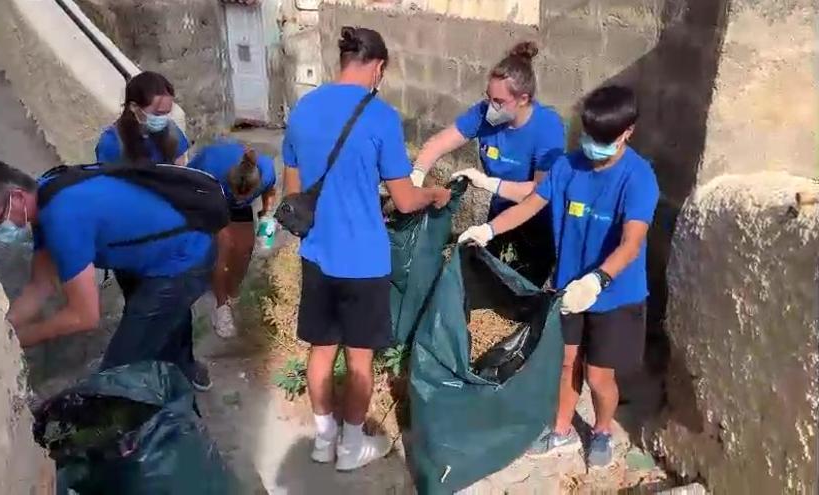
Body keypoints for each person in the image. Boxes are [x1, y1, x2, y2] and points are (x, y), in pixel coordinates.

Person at [458, 86, 659, 468]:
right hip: (568, 291)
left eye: (603, 140)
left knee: (599, 376)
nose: (592, 146)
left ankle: (601, 431)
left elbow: (632, 242)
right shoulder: (567, 167)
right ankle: (562, 431)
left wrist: (598, 280)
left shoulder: (638, 177)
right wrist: (489, 230)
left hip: (615, 294)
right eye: (588, 136)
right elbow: (531, 205)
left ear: (627, 132)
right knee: (567, 362)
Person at [282, 26, 451, 471]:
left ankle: (323, 441)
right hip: (363, 259)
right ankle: (352, 447)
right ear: (379, 67)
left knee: (320, 350)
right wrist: (435, 195)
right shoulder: (380, 117)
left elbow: (293, 193)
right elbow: (404, 200)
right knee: (360, 358)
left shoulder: (303, 110)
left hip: (317, 254)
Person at [0, 160, 215, 391]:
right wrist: (1, 328)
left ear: (17, 197)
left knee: (118, 371)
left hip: (185, 257)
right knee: (164, 319)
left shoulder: (63, 218)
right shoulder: (47, 191)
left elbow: (84, 316)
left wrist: (16, 340)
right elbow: (40, 286)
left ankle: (144, 427)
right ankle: (185, 369)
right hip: (156, 249)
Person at [414, 41, 565, 287]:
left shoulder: (547, 128)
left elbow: (540, 192)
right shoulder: (484, 115)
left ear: (523, 99)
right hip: (499, 214)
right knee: (490, 282)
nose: (491, 106)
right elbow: (439, 143)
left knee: (522, 291)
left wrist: (488, 183)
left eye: (499, 101)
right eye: (488, 97)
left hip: (538, 221)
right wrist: (417, 174)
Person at [188, 140, 277, 338]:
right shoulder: (211, 165)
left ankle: (233, 294)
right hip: (209, 198)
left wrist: (266, 220)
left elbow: (269, 193)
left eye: (245, 196)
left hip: (234, 206)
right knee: (224, 247)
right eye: (236, 194)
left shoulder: (266, 171)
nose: (239, 198)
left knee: (245, 249)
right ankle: (220, 308)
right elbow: (187, 186)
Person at [95, 71, 190, 166]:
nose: (163, 119)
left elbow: (180, 167)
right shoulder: (112, 143)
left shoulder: (172, 132)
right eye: (157, 114)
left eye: (167, 113)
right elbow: (107, 177)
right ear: (134, 107)